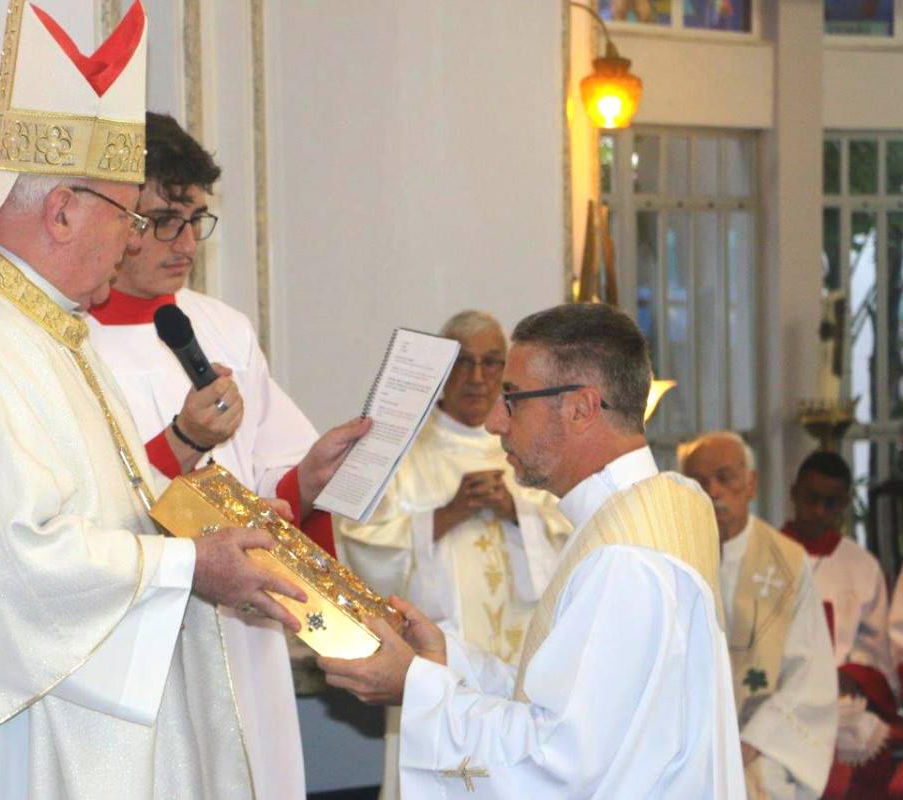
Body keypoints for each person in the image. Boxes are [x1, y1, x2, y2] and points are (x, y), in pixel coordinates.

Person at [0, 4, 315, 798]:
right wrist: (192, 564)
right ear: (60, 210)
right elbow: (11, 563)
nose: (133, 242)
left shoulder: (41, 334)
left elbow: (105, 507)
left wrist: (211, 527)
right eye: (128, 217)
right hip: (16, 742)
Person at [317, 302, 745, 798]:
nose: (496, 422)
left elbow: (558, 764)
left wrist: (418, 688)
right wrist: (448, 662)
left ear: (581, 408)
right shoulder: (666, 507)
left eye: (513, 398)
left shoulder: (623, 560)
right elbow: (569, 708)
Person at [86, 112, 368, 798]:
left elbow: (273, 482)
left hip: (241, 632)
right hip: (145, 629)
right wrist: (182, 445)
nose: (185, 242)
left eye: (195, 219)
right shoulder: (71, 337)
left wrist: (310, 475)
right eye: (162, 219)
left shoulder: (221, 327)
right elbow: (92, 497)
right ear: (114, 213)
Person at [337, 310, 570, 800]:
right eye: (463, 363)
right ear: (440, 375)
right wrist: (444, 515)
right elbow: (361, 545)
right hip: (437, 661)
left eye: (492, 362)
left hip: (520, 661)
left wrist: (516, 512)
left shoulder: (535, 451)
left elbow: (575, 541)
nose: (478, 376)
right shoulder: (401, 455)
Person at [679, 431, 837, 800]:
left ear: (751, 484)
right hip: (689, 742)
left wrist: (749, 743)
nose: (713, 491)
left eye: (725, 477)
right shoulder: (673, 558)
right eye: (699, 481)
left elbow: (808, 677)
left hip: (762, 743)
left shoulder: (787, 564)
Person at [780, 450, 897, 797]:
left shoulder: (862, 566)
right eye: (811, 499)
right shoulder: (767, 553)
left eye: (831, 503)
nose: (819, 512)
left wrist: (854, 677)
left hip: (840, 704)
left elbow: (879, 654)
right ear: (794, 493)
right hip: (779, 698)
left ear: (845, 503)